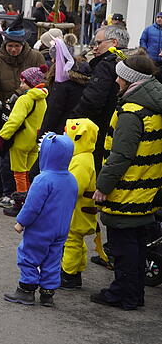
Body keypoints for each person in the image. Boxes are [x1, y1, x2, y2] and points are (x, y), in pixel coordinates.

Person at [91, 54, 162, 310]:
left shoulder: (132, 112)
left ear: (130, 80)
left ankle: (122, 294)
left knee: (123, 247)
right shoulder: (152, 105)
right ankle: (134, 294)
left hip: (128, 189)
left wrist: (103, 186)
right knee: (136, 244)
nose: (116, 80)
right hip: (146, 186)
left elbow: (121, 156)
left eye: (120, 76)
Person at [3, 133, 77, 307]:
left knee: (29, 255)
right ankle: (47, 293)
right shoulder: (71, 180)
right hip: (61, 228)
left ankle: (26, 290)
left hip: (41, 228)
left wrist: (21, 222)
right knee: (53, 259)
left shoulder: (43, 179)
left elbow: (32, 206)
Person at [0, 23, 45, 207]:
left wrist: (22, 94)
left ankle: (21, 195)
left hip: (29, 112)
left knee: (24, 158)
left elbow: (44, 79)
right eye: (10, 46)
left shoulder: (35, 56)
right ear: (5, 45)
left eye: (17, 46)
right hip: (3, 112)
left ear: (23, 44)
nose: (13, 49)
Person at [59, 118, 110, 289]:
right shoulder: (83, 157)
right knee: (76, 240)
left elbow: (75, 187)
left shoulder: (81, 160)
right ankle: (75, 272)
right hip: (81, 209)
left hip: (78, 209)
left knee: (71, 240)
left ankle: (68, 274)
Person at [70, 25, 128, 173]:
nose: (95, 48)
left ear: (114, 42)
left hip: (100, 130)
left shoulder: (106, 64)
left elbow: (93, 101)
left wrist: (73, 120)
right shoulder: (130, 61)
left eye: (99, 43)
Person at [0, 65, 48, 216]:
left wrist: (2, 136)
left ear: (30, 83)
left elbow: (14, 121)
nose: (21, 85)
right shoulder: (43, 99)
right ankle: (31, 202)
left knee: (19, 173)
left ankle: (19, 203)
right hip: (35, 141)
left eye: (23, 82)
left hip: (20, 140)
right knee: (30, 174)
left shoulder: (24, 99)